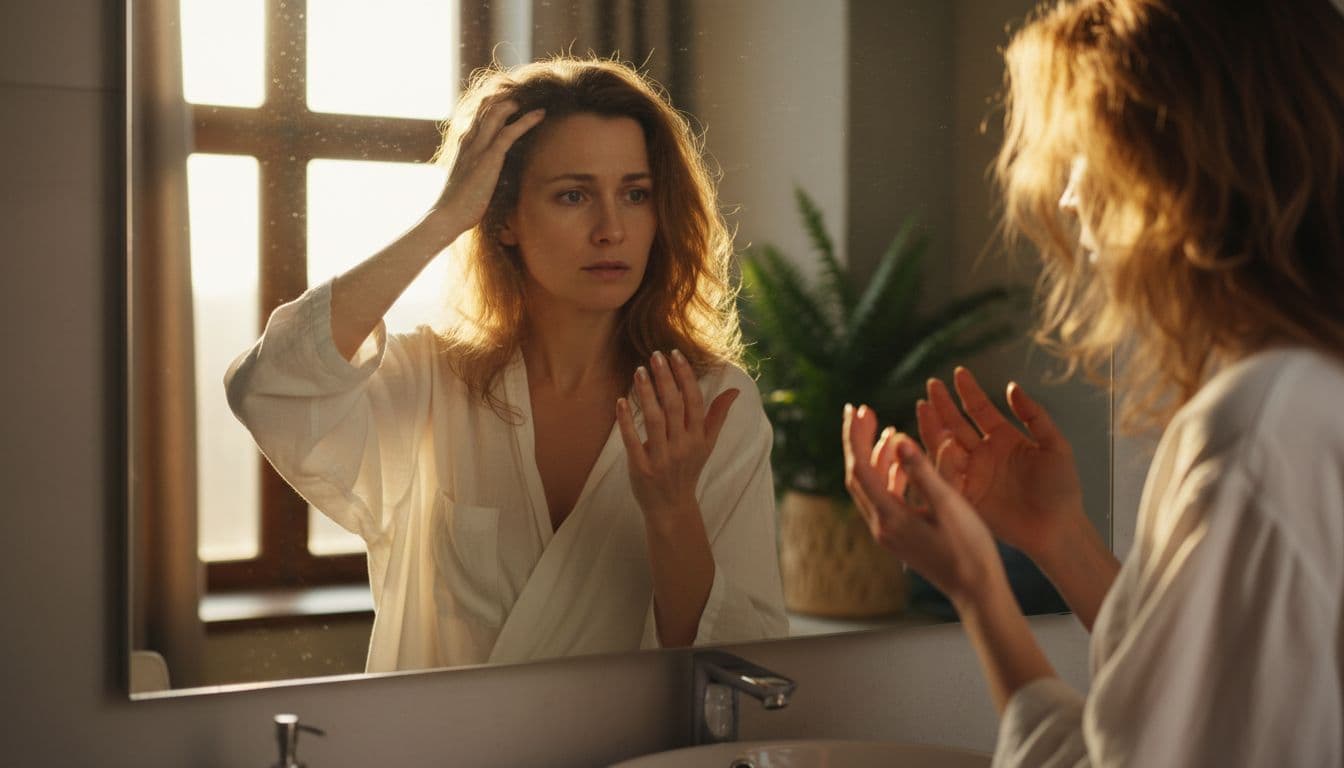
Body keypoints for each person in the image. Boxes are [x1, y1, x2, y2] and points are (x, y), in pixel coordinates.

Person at [841, 0, 1344, 764]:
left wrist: (979, 589)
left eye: (1085, 151)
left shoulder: (1259, 428)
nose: (1069, 197)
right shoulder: (1302, 394)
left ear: (1174, 163)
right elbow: (1210, 691)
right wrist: (1060, 535)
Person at [226, 56, 788, 673]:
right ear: (503, 220)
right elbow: (271, 387)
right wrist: (443, 219)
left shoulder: (707, 405)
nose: (611, 229)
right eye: (573, 195)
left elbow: (739, 665)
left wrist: (673, 508)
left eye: (635, 194)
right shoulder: (432, 381)